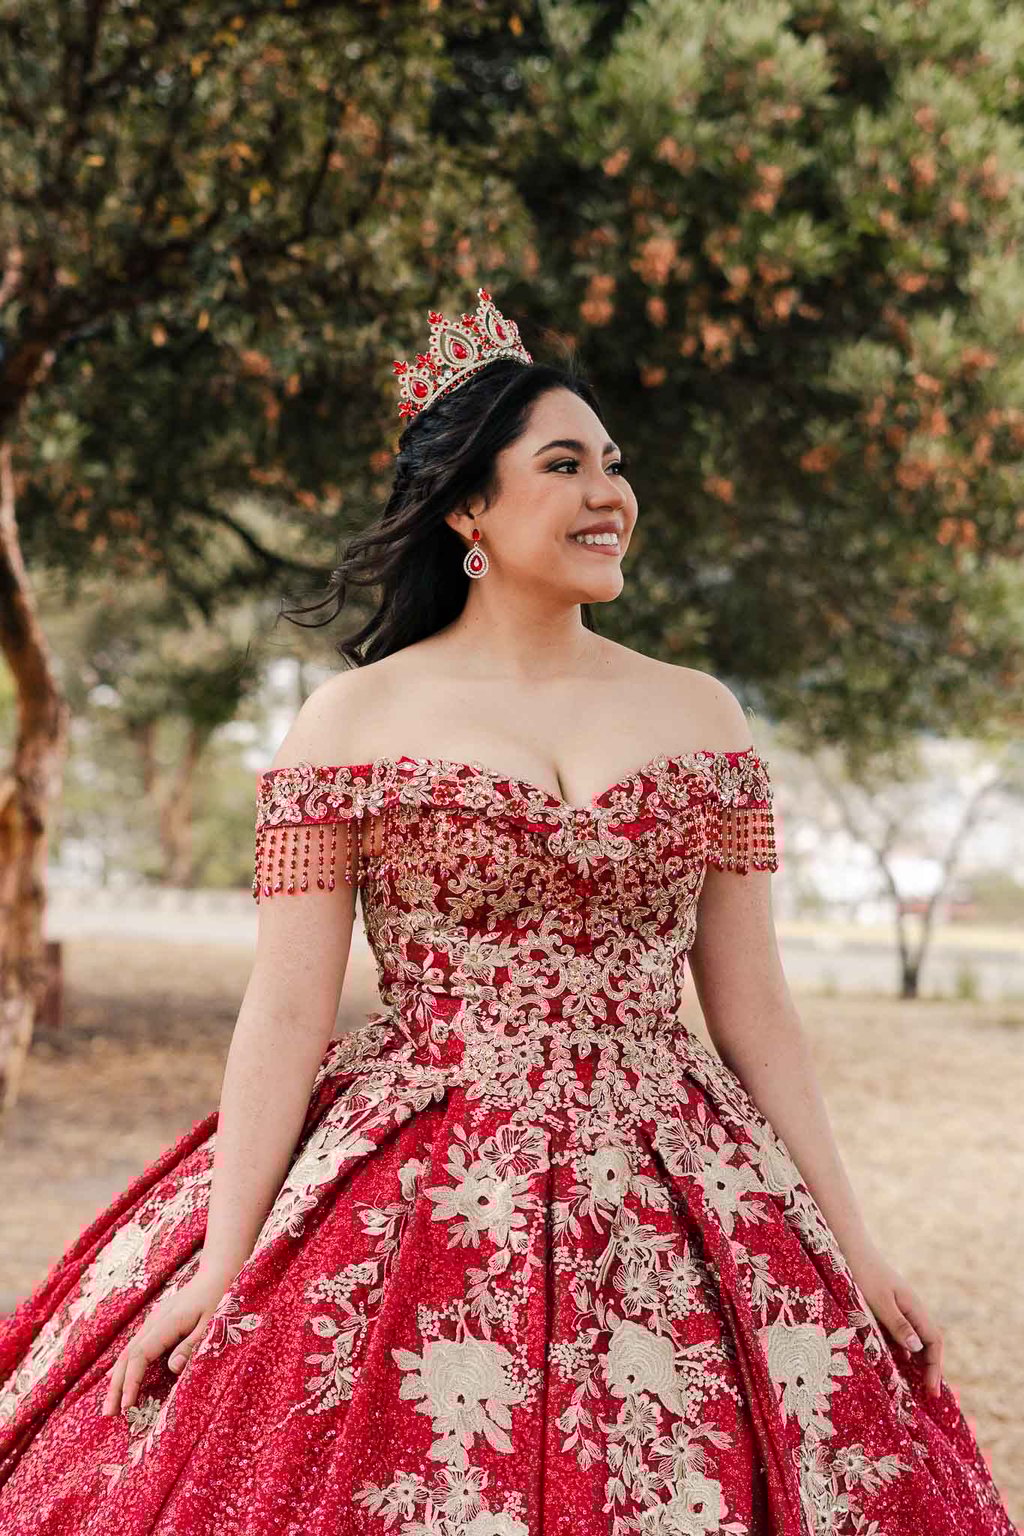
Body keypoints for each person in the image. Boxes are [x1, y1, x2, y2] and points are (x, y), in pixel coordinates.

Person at [0, 287, 1015, 1535]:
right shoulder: (351, 722)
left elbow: (753, 1006)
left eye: (615, 465)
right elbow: (285, 1005)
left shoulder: (702, 715)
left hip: (676, 1169)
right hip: (420, 1164)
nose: (610, 493)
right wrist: (225, 1263)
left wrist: (851, 1244)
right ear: (468, 508)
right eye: (564, 463)